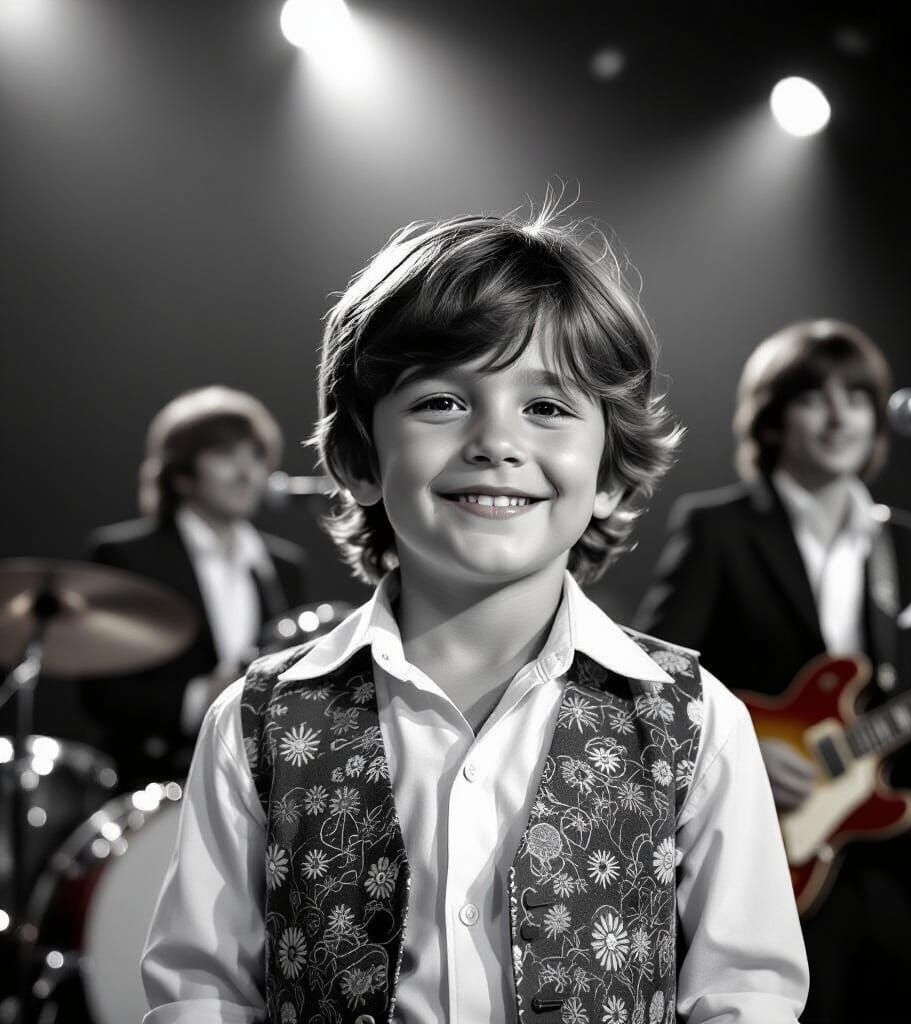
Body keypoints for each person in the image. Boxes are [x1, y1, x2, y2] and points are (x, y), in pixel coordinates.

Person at [141, 206, 809, 1023]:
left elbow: (746, 996)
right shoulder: (257, 721)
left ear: (609, 471)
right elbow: (200, 994)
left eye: (550, 408)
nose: (496, 441)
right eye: (441, 403)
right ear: (357, 458)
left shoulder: (695, 719)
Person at [636, 319, 911, 1024]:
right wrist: (745, 748)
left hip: (904, 863)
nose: (840, 414)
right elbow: (652, 682)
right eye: (815, 396)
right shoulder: (718, 528)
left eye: (858, 396)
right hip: (773, 862)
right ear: (773, 420)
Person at [84, 386, 306, 788]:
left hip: (255, 784)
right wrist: (201, 697)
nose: (247, 473)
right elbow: (104, 696)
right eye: (225, 455)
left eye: (256, 457)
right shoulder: (128, 556)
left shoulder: (283, 567)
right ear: (182, 475)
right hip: (157, 780)